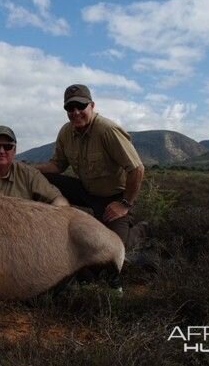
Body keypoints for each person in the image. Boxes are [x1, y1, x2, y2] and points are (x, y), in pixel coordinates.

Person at [35, 84, 146, 249]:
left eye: (81, 106)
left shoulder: (107, 130)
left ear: (92, 106)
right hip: (86, 191)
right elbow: (57, 165)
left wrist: (124, 204)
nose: (76, 112)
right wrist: (29, 170)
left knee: (115, 249)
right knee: (41, 179)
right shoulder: (66, 132)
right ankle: (43, 223)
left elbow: (137, 169)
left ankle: (142, 229)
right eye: (70, 108)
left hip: (114, 198)